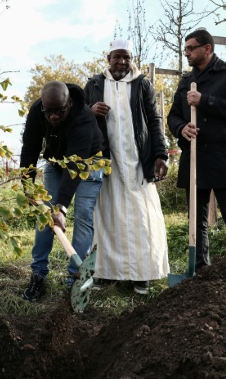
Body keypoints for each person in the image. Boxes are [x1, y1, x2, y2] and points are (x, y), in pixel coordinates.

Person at [84, 39, 169, 294]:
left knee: (140, 216)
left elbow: (154, 121)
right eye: (117, 57)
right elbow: (78, 118)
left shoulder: (142, 85)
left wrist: (160, 154)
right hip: (106, 161)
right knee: (106, 216)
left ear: (132, 60)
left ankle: (141, 274)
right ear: (108, 58)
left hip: (135, 161)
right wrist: (90, 111)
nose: (121, 62)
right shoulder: (94, 85)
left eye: (127, 57)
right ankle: (106, 273)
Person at [167, 28, 226, 271]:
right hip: (195, 157)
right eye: (185, 49)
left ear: (207, 48)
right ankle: (201, 269)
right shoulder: (186, 81)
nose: (187, 53)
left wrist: (204, 101)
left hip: (224, 155)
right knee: (196, 220)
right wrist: (181, 128)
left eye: (191, 48)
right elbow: (172, 116)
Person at [19, 81, 105, 301]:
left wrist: (62, 208)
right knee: (45, 217)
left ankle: (74, 279)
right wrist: (28, 185)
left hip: (87, 164)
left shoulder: (83, 118)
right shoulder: (37, 112)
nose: (54, 117)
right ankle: (38, 275)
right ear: (43, 107)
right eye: (50, 112)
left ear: (69, 103)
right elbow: (30, 148)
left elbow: (75, 167)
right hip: (56, 163)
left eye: (59, 111)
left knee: (84, 217)